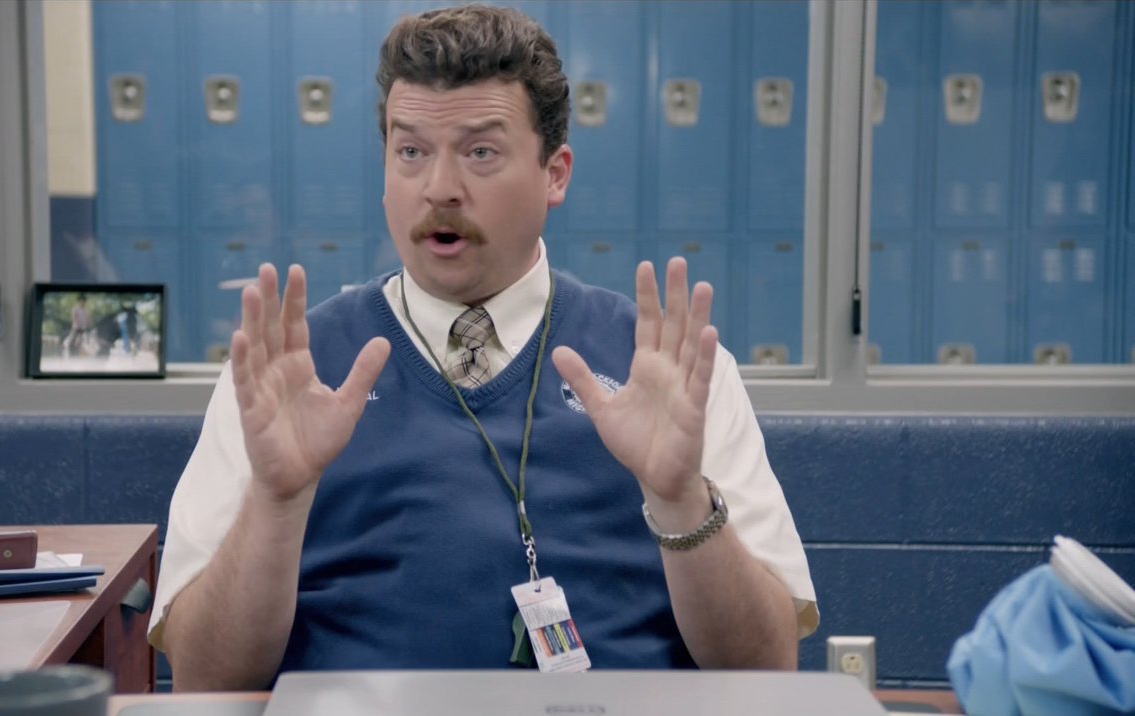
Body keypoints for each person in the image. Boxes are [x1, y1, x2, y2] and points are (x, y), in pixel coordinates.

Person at [150, 4, 817, 691]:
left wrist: (680, 500)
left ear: (555, 173)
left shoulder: (670, 370)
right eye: (411, 152)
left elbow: (766, 670)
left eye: (480, 153)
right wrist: (277, 501)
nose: (439, 188)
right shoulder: (283, 375)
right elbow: (204, 681)